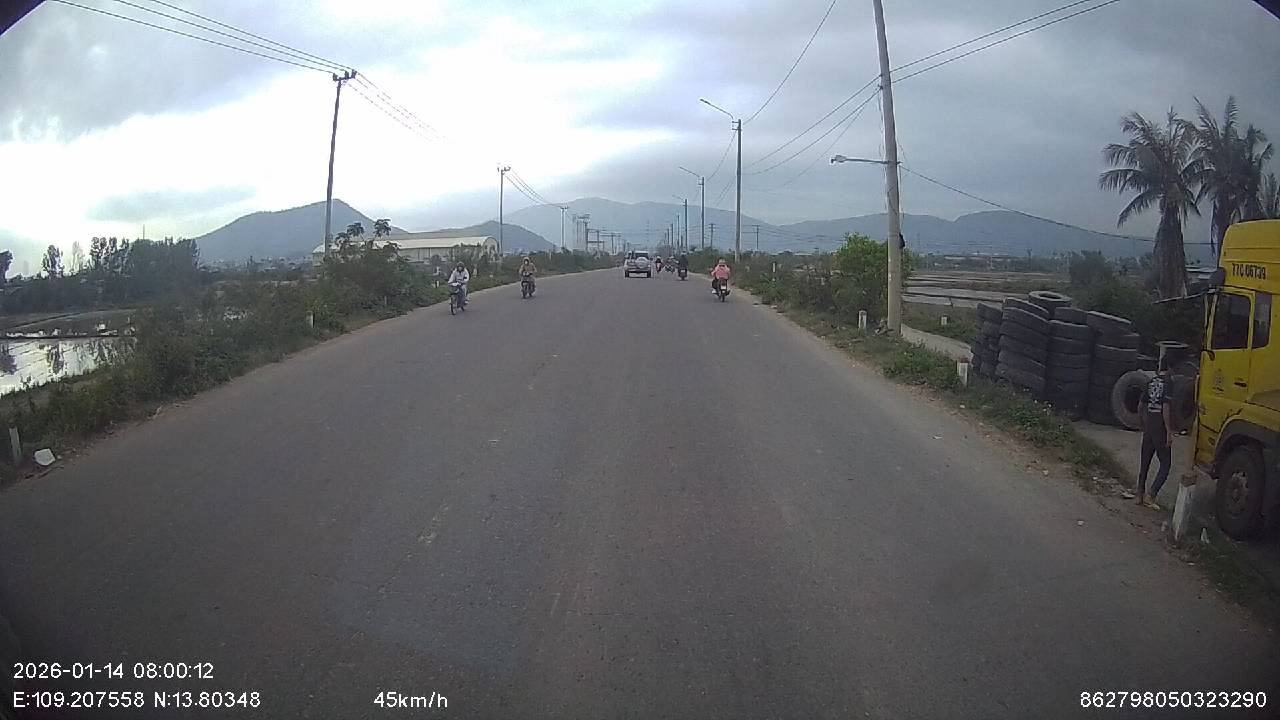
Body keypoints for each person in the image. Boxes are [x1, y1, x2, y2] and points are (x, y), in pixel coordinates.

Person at [1136, 357, 1174, 509]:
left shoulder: (1150, 382)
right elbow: (1166, 407)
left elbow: (1140, 406)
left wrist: (1142, 423)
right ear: (1169, 367)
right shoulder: (1169, 383)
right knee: (1165, 464)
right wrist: (1169, 431)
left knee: (1145, 462)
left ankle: (1139, 494)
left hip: (1149, 425)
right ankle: (1151, 495)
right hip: (1160, 427)